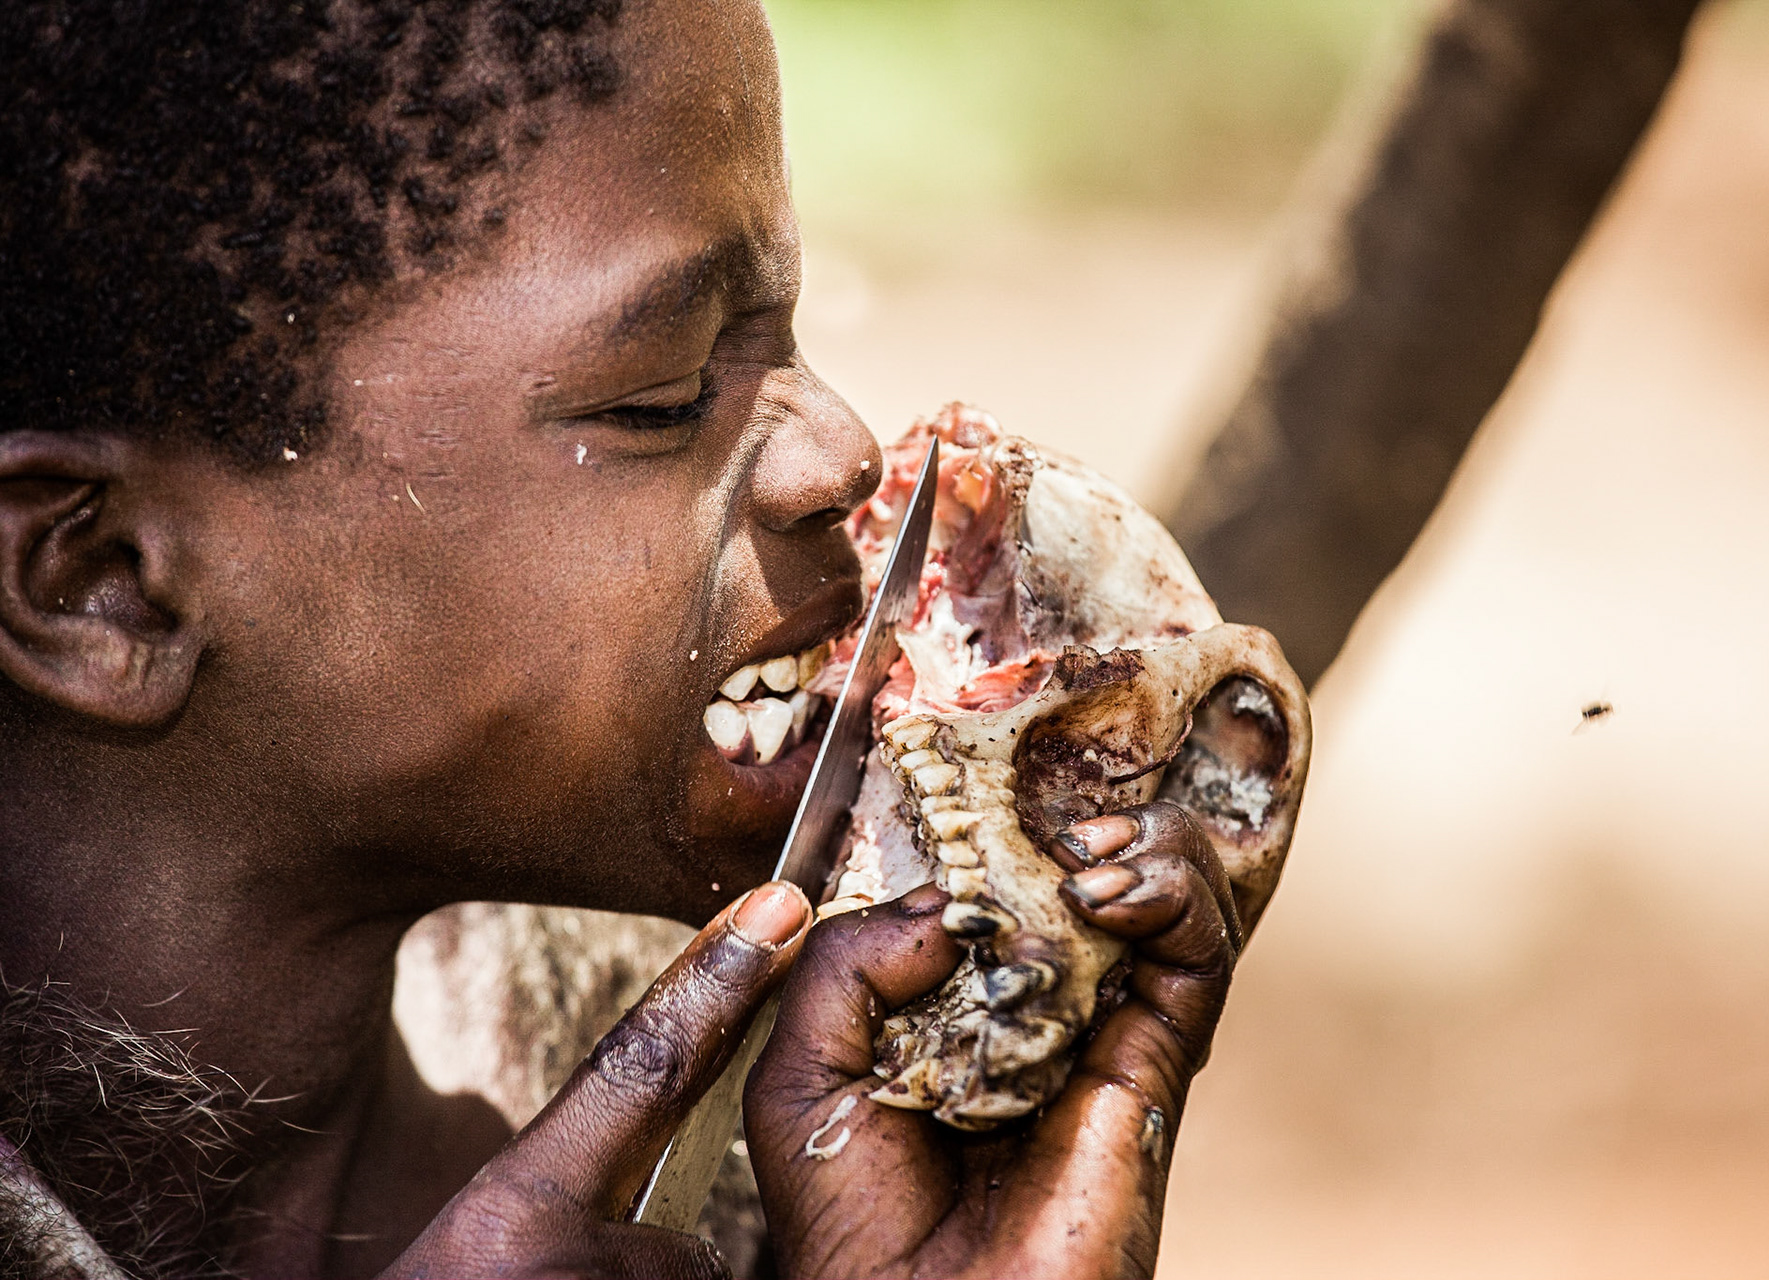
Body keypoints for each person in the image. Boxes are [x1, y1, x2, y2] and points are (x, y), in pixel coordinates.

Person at [0, 2, 1262, 1276]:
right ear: (103, 580)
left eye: (786, 334)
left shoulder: (794, 1099)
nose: (846, 454)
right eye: (662, 400)